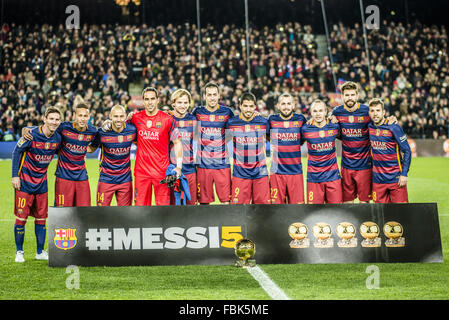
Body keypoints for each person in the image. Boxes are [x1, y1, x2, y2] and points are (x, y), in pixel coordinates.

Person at [11, 106, 62, 262]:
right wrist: (15, 176)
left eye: (57, 119)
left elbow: (61, 153)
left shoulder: (58, 139)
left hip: (42, 184)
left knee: (41, 218)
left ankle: (40, 252)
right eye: (51, 119)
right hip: (24, 182)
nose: (54, 122)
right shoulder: (31, 135)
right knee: (21, 218)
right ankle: (19, 252)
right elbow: (16, 152)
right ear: (44, 119)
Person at [23, 103, 98, 207]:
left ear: (89, 117)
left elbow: (94, 144)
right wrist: (26, 128)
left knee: (84, 211)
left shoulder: (93, 131)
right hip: (63, 176)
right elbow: (47, 127)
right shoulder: (64, 127)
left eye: (85, 116)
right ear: (74, 115)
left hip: (81, 176)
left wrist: (85, 149)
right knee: (62, 213)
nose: (82, 119)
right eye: (80, 115)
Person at [129, 87, 183, 206]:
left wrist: (178, 167)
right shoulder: (135, 118)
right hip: (141, 173)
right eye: (147, 99)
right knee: (140, 210)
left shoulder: (168, 119)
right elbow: (124, 130)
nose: (150, 102)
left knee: (163, 210)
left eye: (152, 99)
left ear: (158, 100)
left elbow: (177, 142)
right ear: (143, 101)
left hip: (162, 173)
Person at [330, 81, 373, 203]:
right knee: (347, 202)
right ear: (342, 96)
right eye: (347, 95)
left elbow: (379, 123)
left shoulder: (367, 111)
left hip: (364, 165)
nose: (350, 98)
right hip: (346, 165)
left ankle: (364, 223)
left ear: (357, 96)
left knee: (364, 202)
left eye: (352, 95)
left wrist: (391, 119)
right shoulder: (336, 112)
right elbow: (335, 131)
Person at [192, 82, 234, 205]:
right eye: (209, 95)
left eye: (214, 94)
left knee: (226, 202)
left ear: (219, 96)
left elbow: (230, 134)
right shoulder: (197, 112)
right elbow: (191, 130)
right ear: (204, 96)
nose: (212, 97)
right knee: (204, 203)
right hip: (203, 165)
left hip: (222, 164)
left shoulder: (227, 112)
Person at [226, 92, 271, 204]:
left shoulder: (263, 122)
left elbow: (273, 141)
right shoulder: (231, 123)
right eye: (245, 106)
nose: (248, 109)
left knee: (263, 209)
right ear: (240, 106)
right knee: (237, 210)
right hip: (240, 172)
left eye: (251, 106)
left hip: (260, 171)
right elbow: (223, 140)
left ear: (255, 107)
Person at [88, 105, 137, 206]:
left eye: (121, 116)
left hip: (125, 180)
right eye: (115, 116)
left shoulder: (132, 130)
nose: (118, 120)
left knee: (125, 215)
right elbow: (91, 148)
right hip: (106, 179)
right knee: (101, 215)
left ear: (125, 116)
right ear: (110, 116)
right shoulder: (102, 133)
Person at [368, 98, 411, 203]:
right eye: (372, 111)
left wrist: (404, 174)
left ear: (384, 112)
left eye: (378, 110)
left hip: (395, 179)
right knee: (380, 215)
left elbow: (407, 151)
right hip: (377, 180)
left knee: (401, 214)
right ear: (369, 113)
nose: (375, 114)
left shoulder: (394, 127)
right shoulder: (368, 126)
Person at [301, 100, 342, 204]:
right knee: (314, 212)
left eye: (320, 110)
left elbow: (344, 137)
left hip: (333, 177)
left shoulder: (335, 126)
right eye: (315, 111)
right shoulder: (305, 129)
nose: (318, 113)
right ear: (311, 113)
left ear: (325, 112)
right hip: (314, 178)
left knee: (336, 211)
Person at [268, 93, 307, 204]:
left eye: (289, 103)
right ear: (278, 106)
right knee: (276, 208)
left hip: (295, 172)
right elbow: (267, 135)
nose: (286, 106)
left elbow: (303, 138)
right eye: (283, 104)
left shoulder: (300, 119)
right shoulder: (271, 119)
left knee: (297, 209)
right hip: (276, 173)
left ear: (293, 105)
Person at [168, 89, 198, 205]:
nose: (183, 106)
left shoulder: (193, 119)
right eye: (179, 102)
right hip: (172, 170)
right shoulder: (167, 119)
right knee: (173, 207)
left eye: (185, 103)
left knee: (191, 206)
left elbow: (196, 142)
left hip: (190, 170)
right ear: (173, 104)